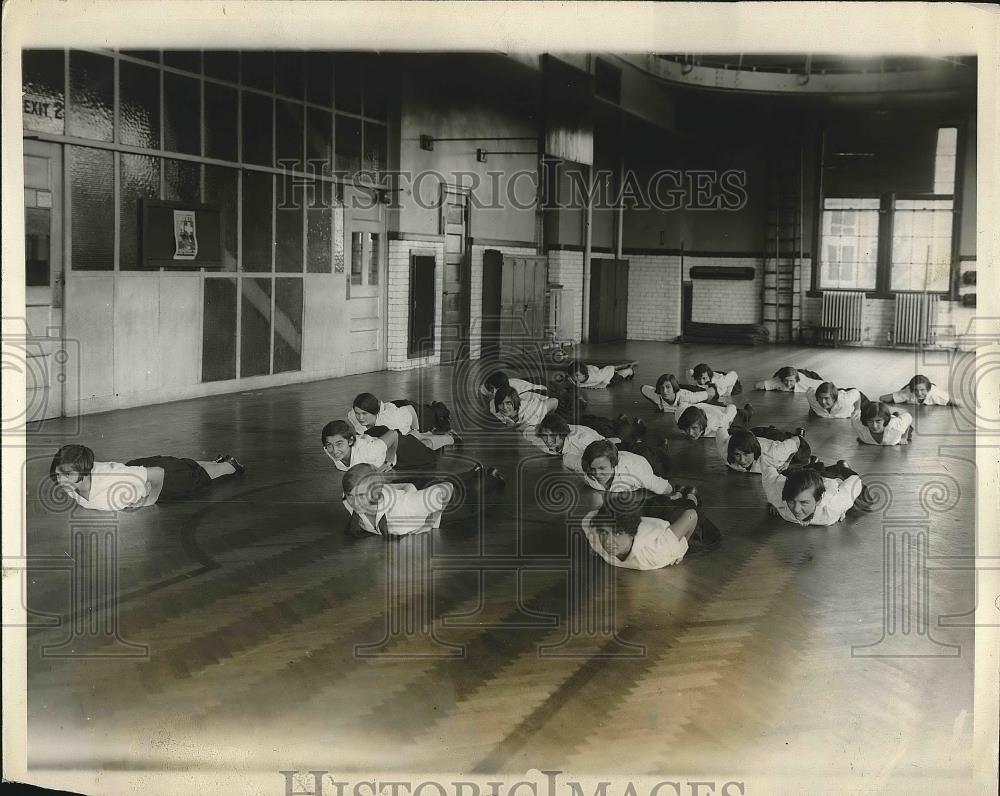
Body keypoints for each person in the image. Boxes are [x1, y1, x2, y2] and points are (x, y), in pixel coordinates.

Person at [49, 444, 244, 511]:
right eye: (58, 474)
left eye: (66, 475)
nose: (60, 480)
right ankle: (215, 462)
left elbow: (158, 473)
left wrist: (148, 501)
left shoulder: (111, 478)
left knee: (194, 476)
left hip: (161, 479)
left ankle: (230, 465)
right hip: (137, 469)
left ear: (83, 472)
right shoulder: (71, 485)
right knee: (186, 466)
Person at [340, 462, 504, 539]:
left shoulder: (405, 507)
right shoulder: (349, 500)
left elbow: (446, 490)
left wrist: (429, 522)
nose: (353, 502)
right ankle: (473, 471)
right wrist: (405, 488)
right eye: (350, 495)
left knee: (474, 495)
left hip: (444, 510)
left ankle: (491, 476)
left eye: (360, 496)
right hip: (414, 496)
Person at [761, 460, 874, 527]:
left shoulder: (833, 507)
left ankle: (842, 467)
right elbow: (768, 470)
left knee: (865, 499)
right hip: (805, 478)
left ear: (818, 501)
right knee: (799, 473)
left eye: (804, 503)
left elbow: (856, 480)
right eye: (791, 501)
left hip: (833, 481)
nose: (796, 509)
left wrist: (844, 509)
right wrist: (773, 502)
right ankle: (813, 466)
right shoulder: (777, 493)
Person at [321, 419, 439, 473]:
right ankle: (421, 435)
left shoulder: (368, 452)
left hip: (400, 450)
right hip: (375, 439)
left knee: (430, 454)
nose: (334, 451)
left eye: (339, 444)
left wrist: (388, 462)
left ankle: (448, 437)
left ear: (350, 441)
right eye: (330, 445)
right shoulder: (328, 449)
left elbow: (393, 434)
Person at [580, 439, 688, 497]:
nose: (597, 474)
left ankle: (662, 447)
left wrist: (673, 495)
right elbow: (568, 458)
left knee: (665, 465)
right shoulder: (587, 471)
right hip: (623, 452)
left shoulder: (635, 474)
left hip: (647, 460)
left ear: (613, 465)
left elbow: (665, 487)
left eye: (602, 468)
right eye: (593, 469)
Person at [348, 393, 457, 450]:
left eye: (364, 414)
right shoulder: (353, 415)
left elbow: (410, 408)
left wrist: (416, 430)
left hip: (416, 414)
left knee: (435, 414)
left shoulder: (389, 421)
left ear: (375, 412)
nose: (360, 417)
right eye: (358, 413)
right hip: (395, 406)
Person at [715, 425, 811, 475]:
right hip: (756, 433)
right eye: (737, 454)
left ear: (754, 452)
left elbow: (797, 441)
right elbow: (720, 429)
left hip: (775, 441)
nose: (742, 460)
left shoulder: (774, 455)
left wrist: (787, 462)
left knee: (804, 456)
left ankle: (796, 433)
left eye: (746, 454)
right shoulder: (726, 452)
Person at [640, 373, 719, 413]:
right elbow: (642, 388)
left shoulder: (687, 397)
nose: (664, 391)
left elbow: (711, 392)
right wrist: (656, 403)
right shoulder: (656, 396)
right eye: (661, 387)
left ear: (673, 388)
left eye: (668, 387)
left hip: (693, 392)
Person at [492, 386, 560, 430]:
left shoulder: (532, 410)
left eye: (508, 403)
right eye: (501, 403)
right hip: (525, 393)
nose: (504, 407)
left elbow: (554, 401)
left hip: (545, 393)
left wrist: (548, 417)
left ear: (514, 402)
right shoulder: (494, 410)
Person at [676, 402, 752, 440]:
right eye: (687, 429)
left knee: (743, 426)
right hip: (714, 409)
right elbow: (682, 404)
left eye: (694, 428)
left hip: (731, 418)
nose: (690, 433)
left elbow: (732, 408)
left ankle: (748, 410)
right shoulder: (680, 415)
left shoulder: (716, 423)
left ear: (702, 425)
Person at [880, 375, 954, 406]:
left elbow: (958, 402)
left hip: (933, 389)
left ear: (928, 390)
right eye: (916, 390)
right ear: (912, 390)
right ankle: (910, 386)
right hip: (908, 388)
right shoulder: (908, 392)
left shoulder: (936, 395)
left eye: (922, 390)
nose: (919, 393)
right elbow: (882, 398)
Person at [566, 358, 636, 389]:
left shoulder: (596, 377)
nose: (574, 378)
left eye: (577, 375)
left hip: (606, 379)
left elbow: (610, 369)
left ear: (584, 374)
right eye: (573, 375)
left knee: (617, 377)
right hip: (595, 371)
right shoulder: (579, 377)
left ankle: (629, 370)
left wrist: (605, 383)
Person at [479, 370, 548, 400]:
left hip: (539, 386)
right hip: (532, 381)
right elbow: (483, 389)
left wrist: (492, 400)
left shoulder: (515, 393)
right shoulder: (492, 383)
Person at [754, 366, 825, 393]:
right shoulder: (777, 380)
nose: (788, 384)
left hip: (805, 374)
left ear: (796, 380)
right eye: (786, 381)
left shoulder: (803, 382)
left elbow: (822, 384)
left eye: (791, 381)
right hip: (782, 373)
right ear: (781, 379)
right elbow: (756, 385)